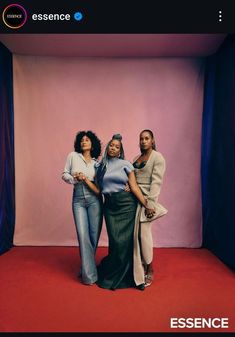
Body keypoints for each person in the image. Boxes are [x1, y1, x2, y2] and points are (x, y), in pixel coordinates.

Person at [95, 134, 154, 290]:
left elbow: (133, 187)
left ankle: (128, 276)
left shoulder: (126, 164)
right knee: (115, 241)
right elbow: (98, 189)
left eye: (117, 147)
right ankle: (113, 269)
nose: (113, 148)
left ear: (120, 151)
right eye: (111, 145)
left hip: (126, 204)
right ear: (107, 147)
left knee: (124, 243)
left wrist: (146, 204)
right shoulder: (100, 167)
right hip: (109, 206)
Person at [62, 130, 103, 285]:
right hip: (78, 199)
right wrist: (74, 178)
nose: (83, 142)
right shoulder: (73, 156)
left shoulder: (97, 164)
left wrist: (86, 179)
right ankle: (89, 277)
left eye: (87, 140)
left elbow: (100, 186)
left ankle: (86, 267)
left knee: (93, 236)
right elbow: (64, 174)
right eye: (81, 140)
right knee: (83, 235)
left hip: (95, 200)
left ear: (92, 144)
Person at [133, 129, 167, 288]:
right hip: (134, 199)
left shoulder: (157, 157)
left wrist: (150, 204)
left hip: (147, 201)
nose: (143, 141)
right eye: (141, 139)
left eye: (147, 138)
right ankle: (138, 267)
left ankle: (150, 268)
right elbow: (131, 178)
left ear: (152, 141)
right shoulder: (136, 158)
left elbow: (157, 182)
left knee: (144, 235)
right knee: (135, 236)